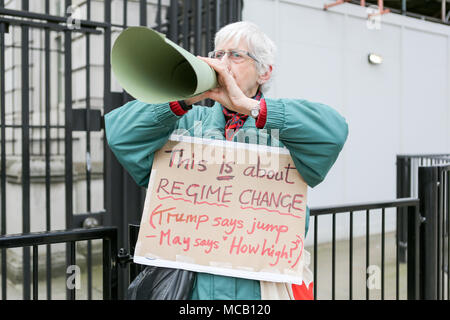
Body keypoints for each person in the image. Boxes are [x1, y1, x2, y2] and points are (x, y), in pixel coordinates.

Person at [104, 21, 348, 300]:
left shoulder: (284, 130)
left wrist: (250, 108)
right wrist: (181, 99)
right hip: (194, 290)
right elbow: (121, 134)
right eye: (218, 55)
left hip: (262, 290)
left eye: (235, 55)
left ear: (265, 72)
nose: (222, 63)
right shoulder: (189, 122)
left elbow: (334, 132)